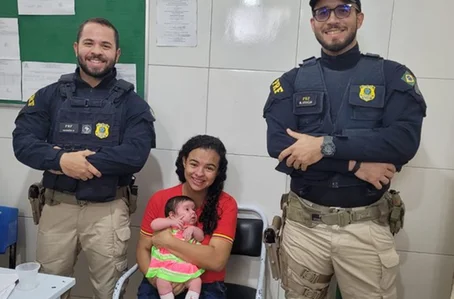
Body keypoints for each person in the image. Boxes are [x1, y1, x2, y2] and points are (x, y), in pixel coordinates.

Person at [263, 0, 426, 298]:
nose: (332, 19)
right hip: (304, 228)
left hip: (365, 228)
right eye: (322, 12)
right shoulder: (291, 82)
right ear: (313, 23)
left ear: (359, 18)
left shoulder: (392, 77)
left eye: (343, 9)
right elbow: (279, 145)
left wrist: (324, 146)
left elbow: (402, 142)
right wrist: (354, 165)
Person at [12, 17, 156, 299]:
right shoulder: (48, 96)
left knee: (110, 291)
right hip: (56, 207)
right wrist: (63, 161)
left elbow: (135, 154)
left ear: (117, 54)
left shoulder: (132, 103)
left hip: (108, 212)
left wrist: (80, 164)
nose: (96, 51)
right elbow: (23, 142)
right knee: (47, 290)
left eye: (105, 45)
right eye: (89, 43)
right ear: (77, 47)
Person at [137, 135, 238, 299]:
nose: (199, 173)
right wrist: (158, 280)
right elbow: (143, 249)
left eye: (209, 168)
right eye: (194, 164)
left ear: (218, 172)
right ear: (184, 162)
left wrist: (167, 241)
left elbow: (216, 261)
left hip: (205, 285)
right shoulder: (160, 199)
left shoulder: (226, 204)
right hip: (160, 280)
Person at [147, 195, 205, 299]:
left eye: (193, 209)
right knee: (161, 281)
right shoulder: (168, 225)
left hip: (185, 266)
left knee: (196, 281)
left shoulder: (191, 228)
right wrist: (171, 222)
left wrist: (193, 229)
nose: (193, 212)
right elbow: (153, 224)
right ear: (172, 215)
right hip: (166, 266)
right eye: (187, 209)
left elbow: (201, 237)